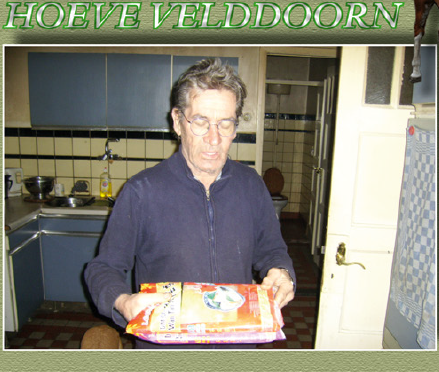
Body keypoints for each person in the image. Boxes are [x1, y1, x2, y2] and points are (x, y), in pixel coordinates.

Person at [84, 58, 295, 348]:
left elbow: (272, 250)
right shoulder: (140, 192)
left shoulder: (252, 186)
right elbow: (103, 268)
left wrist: (282, 271)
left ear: (235, 127)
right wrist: (122, 301)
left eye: (225, 123)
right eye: (200, 122)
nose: (213, 138)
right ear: (177, 121)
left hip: (237, 346)